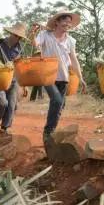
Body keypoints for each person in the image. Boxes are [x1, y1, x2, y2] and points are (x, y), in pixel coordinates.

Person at [30, 12, 86, 152]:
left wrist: (81, 78)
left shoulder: (70, 40)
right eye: (65, 21)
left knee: (60, 106)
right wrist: (33, 33)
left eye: (69, 22)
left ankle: (52, 132)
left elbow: (74, 60)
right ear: (56, 22)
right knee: (56, 100)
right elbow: (35, 44)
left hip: (64, 77)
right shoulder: (45, 35)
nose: (67, 24)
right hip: (47, 76)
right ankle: (48, 133)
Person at [0, 23, 27, 132]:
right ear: (11, 33)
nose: (17, 38)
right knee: (2, 103)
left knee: (11, 105)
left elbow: (21, 67)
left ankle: (5, 128)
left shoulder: (20, 48)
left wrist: (23, 84)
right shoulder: (0, 43)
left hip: (13, 80)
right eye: (15, 35)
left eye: (20, 37)